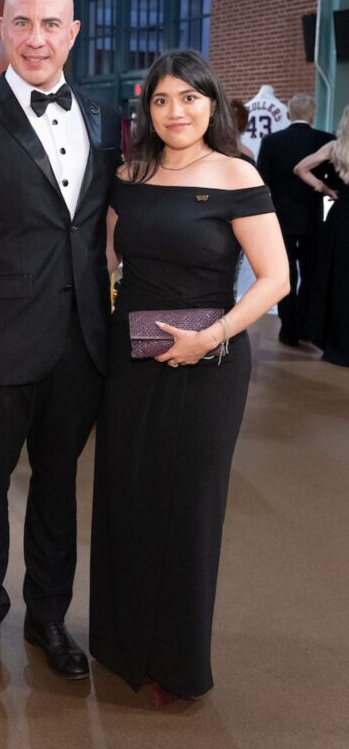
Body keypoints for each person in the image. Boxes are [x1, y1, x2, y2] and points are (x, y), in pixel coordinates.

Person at [0, 0, 121, 686]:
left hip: (82, 342)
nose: (36, 38)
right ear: (2, 30)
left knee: (58, 487)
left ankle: (48, 616)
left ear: (73, 33)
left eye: (50, 24)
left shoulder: (104, 117)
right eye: (21, 22)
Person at [90, 49, 289, 706]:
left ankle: (175, 662)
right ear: (146, 110)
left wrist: (213, 336)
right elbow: (107, 262)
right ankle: (122, 644)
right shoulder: (129, 174)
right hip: (132, 361)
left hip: (208, 364)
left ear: (211, 104)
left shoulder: (236, 174)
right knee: (126, 498)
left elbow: (275, 279)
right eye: (161, 100)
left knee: (188, 510)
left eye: (189, 98)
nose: (175, 111)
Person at [256, 93, 335, 346]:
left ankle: (288, 330)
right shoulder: (326, 140)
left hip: (281, 218)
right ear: (312, 115)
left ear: (289, 114)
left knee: (284, 274)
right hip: (314, 218)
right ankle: (305, 326)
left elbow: (262, 180)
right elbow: (332, 179)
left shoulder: (271, 141)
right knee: (311, 273)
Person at [294, 105, 349, 367]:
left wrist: (325, 189)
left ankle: (339, 344)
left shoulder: (336, 147)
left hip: (341, 221)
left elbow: (300, 168)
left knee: (339, 282)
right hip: (340, 222)